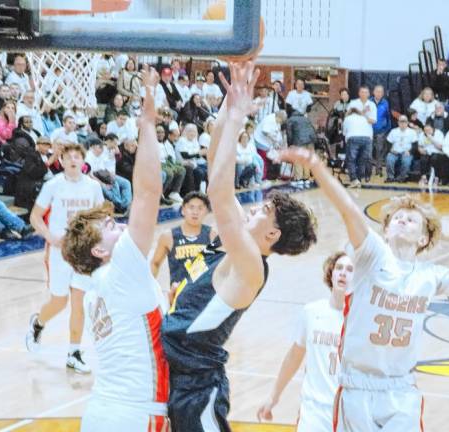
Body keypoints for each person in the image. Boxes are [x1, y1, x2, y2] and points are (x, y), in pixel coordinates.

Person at [277, 149, 449, 432]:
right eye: (396, 218)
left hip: (401, 389)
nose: (402, 220)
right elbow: (349, 210)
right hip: (356, 386)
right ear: (385, 231)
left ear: (424, 237)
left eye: (411, 220)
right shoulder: (371, 256)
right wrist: (318, 167)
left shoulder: (431, 277)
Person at [162, 62, 317, 432]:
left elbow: (218, 189)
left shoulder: (250, 264)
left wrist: (236, 118)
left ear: (273, 235)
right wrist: (226, 108)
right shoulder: (236, 249)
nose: (252, 209)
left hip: (198, 386)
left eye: (264, 210)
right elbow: (215, 162)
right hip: (174, 370)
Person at [60, 66, 170, 431]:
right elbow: (149, 194)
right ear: (99, 252)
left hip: (101, 413)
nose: (119, 225)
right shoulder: (121, 267)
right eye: (108, 227)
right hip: (135, 414)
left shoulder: (96, 292)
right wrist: (149, 122)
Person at [25, 143, 105, 373]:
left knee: (79, 302)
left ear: (83, 161)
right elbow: (35, 216)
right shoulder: (53, 185)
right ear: (61, 160)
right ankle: (38, 323)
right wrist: (50, 237)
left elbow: (100, 217)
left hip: (83, 253)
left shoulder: (92, 187)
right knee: (59, 302)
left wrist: (97, 242)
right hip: (60, 252)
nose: (73, 160)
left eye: (77, 157)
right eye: (68, 156)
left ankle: (74, 352)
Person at [256, 251, 354, 431]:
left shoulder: (360, 321)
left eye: (349, 270)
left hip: (348, 414)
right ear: (331, 274)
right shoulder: (311, 312)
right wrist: (274, 396)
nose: (343, 273)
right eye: (339, 268)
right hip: (313, 412)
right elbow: (294, 356)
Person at [151, 191, 215, 297]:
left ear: (206, 211)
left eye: (200, 208)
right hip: (178, 297)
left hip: (205, 296)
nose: (195, 212)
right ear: (183, 210)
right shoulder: (168, 236)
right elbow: (155, 263)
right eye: (191, 207)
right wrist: (151, 289)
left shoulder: (212, 235)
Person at [85, 136, 132, 214]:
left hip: (104, 176)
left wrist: (110, 178)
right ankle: (122, 207)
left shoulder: (99, 155)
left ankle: (125, 206)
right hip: (94, 180)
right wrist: (103, 183)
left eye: (102, 147)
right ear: (93, 147)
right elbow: (90, 175)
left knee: (122, 183)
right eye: (99, 147)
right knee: (108, 188)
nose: (101, 149)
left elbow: (104, 170)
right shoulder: (88, 156)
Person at [286, 109, 317, 184]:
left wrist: (290, 144)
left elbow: (289, 133)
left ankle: (299, 178)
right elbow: (313, 129)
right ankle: (306, 178)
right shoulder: (305, 119)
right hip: (310, 140)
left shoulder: (290, 120)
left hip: (299, 141)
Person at [385, 115, 417, 183]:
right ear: (398, 122)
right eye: (401, 122)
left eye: (404, 122)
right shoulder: (393, 131)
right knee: (389, 159)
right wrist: (390, 150)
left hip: (406, 152)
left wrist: (410, 151)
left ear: (407, 122)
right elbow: (388, 143)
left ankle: (402, 178)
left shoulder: (412, 132)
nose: (402, 123)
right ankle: (390, 177)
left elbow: (415, 145)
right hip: (395, 152)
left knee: (406, 162)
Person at [369, 85, 392, 177]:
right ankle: (369, 169)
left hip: (381, 131)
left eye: (381, 92)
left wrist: (386, 129)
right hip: (369, 131)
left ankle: (378, 170)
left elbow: (388, 117)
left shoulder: (385, 103)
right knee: (369, 151)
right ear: (373, 92)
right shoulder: (368, 102)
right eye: (377, 91)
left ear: (383, 93)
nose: (379, 93)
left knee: (380, 151)